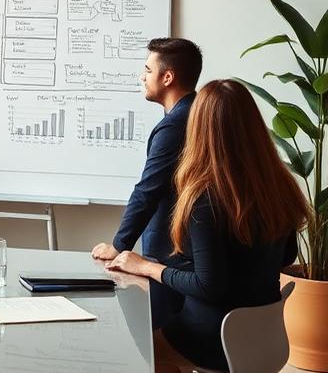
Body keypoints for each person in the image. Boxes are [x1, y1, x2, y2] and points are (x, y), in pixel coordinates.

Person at [105, 79, 308, 372]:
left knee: (140, 353)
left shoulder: (205, 198)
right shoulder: (279, 186)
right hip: (263, 336)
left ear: (199, 129)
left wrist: (146, 267)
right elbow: (286, 256)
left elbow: (210, 285)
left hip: (215, 338)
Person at [91, 37, 202, 328]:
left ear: (167, 77)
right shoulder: (200, 114)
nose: (142, 76)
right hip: (189, 256)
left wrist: (119, 245)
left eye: (147, 69)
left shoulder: (174, 125)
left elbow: (147, 191)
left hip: (173, 256)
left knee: (152, 341)